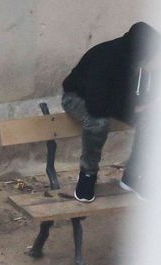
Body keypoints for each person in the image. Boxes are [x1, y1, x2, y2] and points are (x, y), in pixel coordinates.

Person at [62, 22, 160, 202]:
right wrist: (136, 109)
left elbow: (135, 97)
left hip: (111, 101)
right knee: (98, 122)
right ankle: (87, 176)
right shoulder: (107, 57)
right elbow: (96, 106)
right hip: (78, 97)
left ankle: (134, 176)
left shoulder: (142, 63)